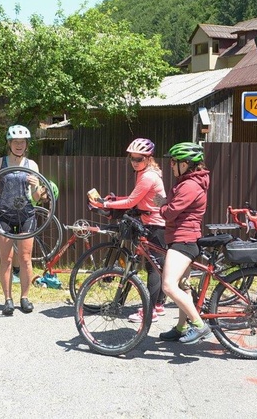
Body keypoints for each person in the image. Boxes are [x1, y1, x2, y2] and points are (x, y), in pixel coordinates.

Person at [88, 138, 167, 323]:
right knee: (158, 265)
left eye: (139, 159)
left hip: (156, 225)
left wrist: (105, 204)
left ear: (148, 158)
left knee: (153, 267)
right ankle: (159, 304)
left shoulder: (148, 176)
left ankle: (151, 311)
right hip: (153, 222)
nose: (134, 162)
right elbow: (140, 198)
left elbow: (132, 201)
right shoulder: (146, 173)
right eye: (132, 158)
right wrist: (114, 199)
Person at [0, 124, 40, 316]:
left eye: (23, 142)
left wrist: (37, 186)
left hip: (26, 214)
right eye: (16, 142)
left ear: (27, 144)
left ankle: (25, 298)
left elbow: (37, 197)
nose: (19, 145)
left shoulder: (32, 165)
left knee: (25, 258)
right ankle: (8, 300)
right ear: (9, 143)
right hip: (3, 214)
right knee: (7, 259)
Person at [154, 142, 211, 344]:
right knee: (183, 286)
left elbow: (170, 213)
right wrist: (166, 204)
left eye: (174, 161)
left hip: (183, 240)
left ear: (185, 164)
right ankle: (181, 327)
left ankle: (199, 326)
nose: (171, 165)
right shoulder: (188, 182)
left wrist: (162, 206)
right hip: (182, 238)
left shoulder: (189, 185)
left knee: (168, 285)